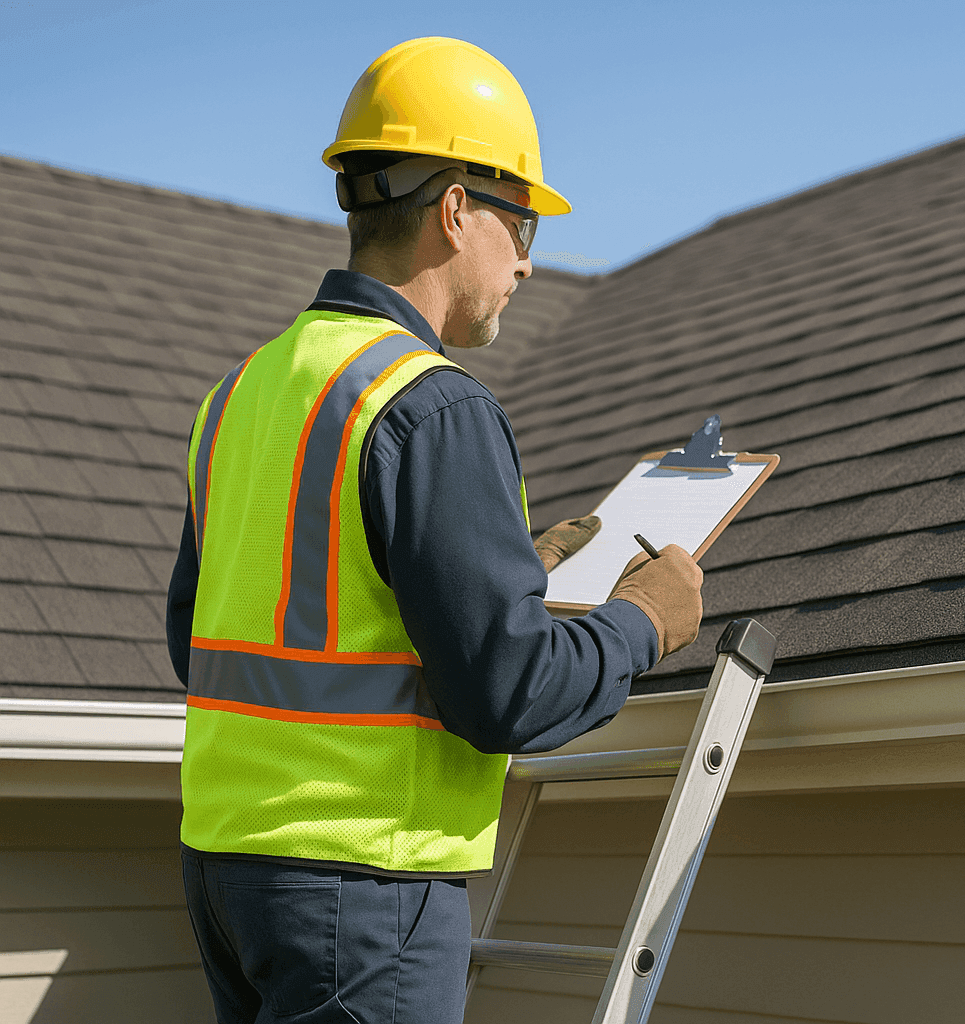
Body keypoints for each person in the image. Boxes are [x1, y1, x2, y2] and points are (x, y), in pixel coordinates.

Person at [164, 37, 704, 1024]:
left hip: (228, 877)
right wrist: (642, 621)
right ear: (457, 208)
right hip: (362, 890)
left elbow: (202, 638)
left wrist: (482, 579)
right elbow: (506, 693)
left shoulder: (241, 393)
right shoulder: (432, 406)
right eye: (522, 220)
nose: (531, 262)